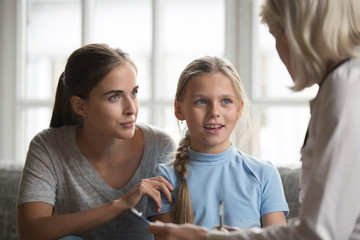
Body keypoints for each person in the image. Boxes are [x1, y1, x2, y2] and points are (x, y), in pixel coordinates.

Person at [147, 0, 360, 239]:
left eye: (275, 34)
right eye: (201, 101)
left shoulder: (346, 89)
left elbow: (320, 233)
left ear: (299, 32)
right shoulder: (341, 86)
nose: (278, 50)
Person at [17, 43, 176, 240]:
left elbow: (172, 231)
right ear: (80, 106)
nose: (131, 108)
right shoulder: (48, 146)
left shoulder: (161, 145)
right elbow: (30, 231)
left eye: (133, 92)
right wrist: (120, 204)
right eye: (115, 97)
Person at [148, 56, 288, 231]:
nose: (214, 112)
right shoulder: (165, 179)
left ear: (239, 109)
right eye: (201, 101)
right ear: (179, 109)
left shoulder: (264, 174)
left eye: (226, 101)